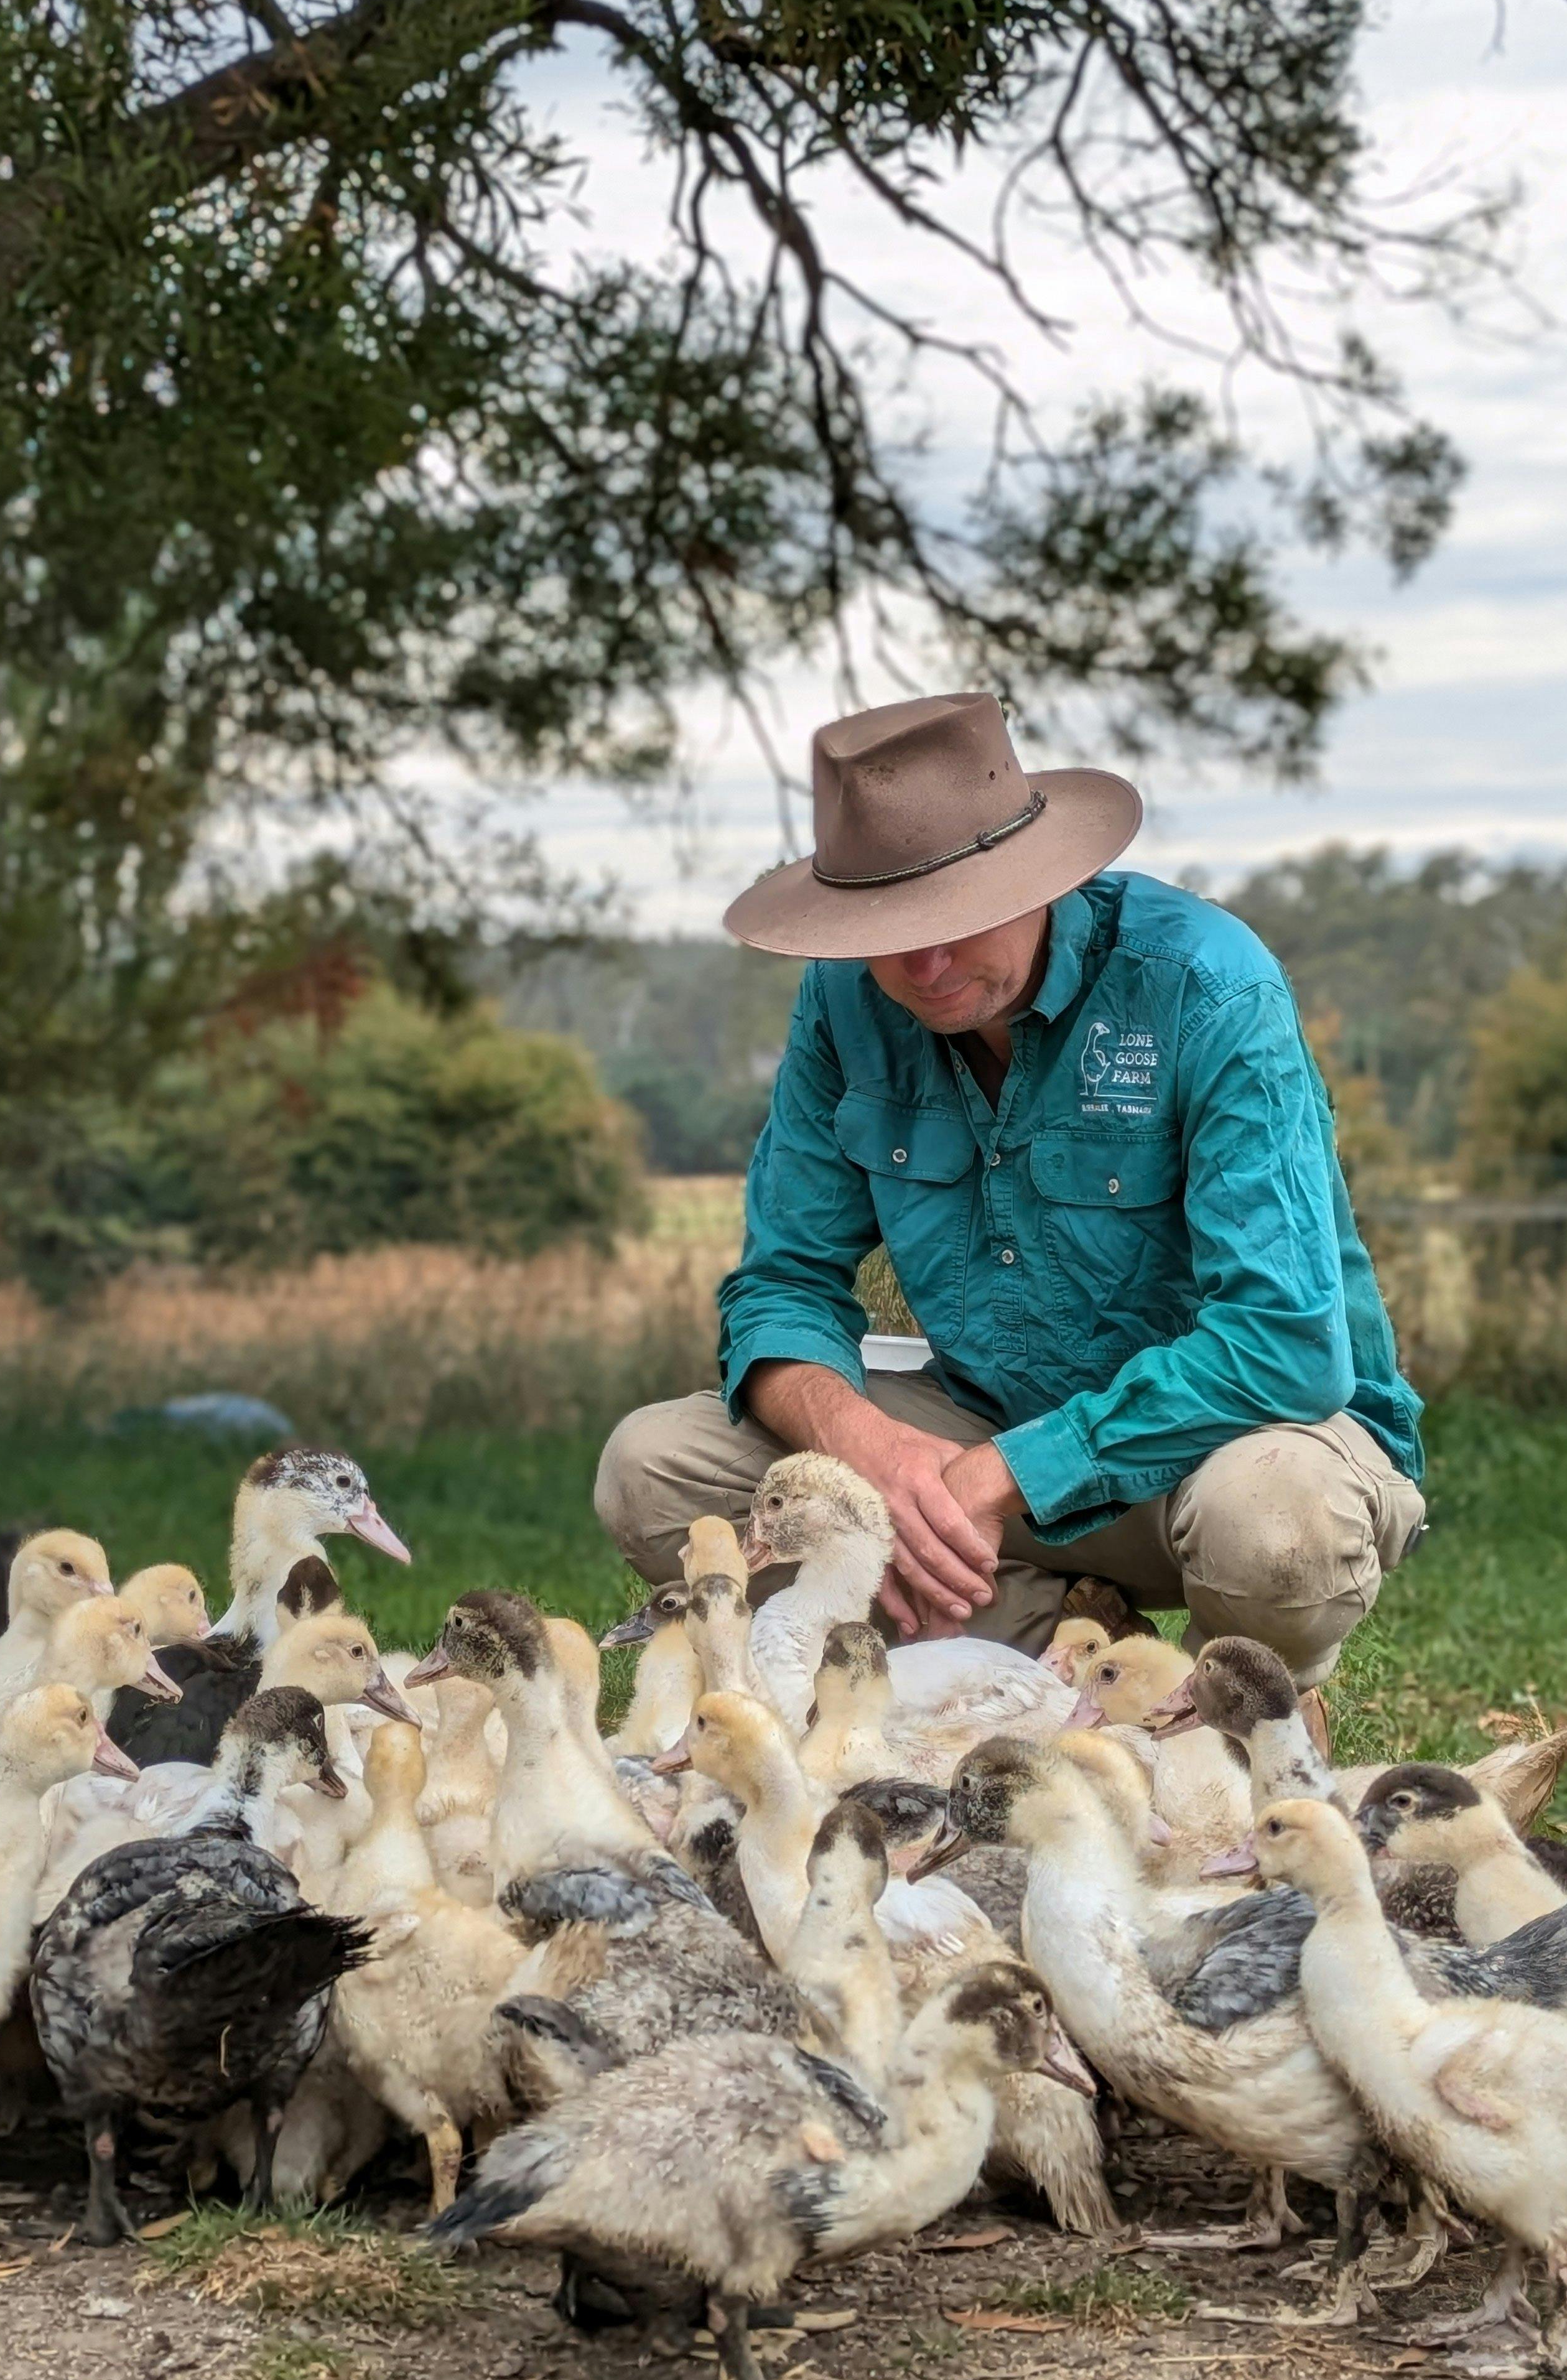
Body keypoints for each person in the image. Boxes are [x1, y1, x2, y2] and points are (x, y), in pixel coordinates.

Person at [594, 692, 1425, 1687]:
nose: (925, 963)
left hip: (1229, 1450)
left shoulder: (1208, 985)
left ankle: (1237, 1707)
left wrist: (1005, 1474)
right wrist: (873, 1456)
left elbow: (1287, 1341)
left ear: (1040, 877)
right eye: (885, 924)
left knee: (1283, 1529)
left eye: (955, 915)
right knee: (656, 1472)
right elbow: (780, 1287)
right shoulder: (841, 1002)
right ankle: (1073, 1663)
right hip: (973, 1446)